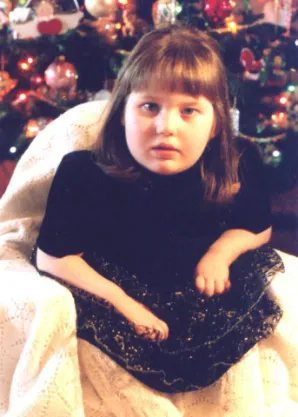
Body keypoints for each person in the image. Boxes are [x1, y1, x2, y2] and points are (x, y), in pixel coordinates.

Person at [31, 24, 283, 394]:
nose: (167, 127)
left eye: (189, 111)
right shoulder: (84, 171)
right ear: (122, 113)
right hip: (115, 285)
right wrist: (125, 305)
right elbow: (53, 257)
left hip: (198, 290)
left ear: (215, 124)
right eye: (150, 107)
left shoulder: (237, 164)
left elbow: (258, 225)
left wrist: (220, 253)